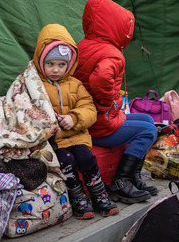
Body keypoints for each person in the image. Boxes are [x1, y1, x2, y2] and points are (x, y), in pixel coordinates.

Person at [73, 0, 158, 204]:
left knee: (147, 120)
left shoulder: (83, 45)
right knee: (149, 130)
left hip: (86, 119)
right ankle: (120, 182)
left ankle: (133, 177)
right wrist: (109, 100)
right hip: (96, 125)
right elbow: (100, 78)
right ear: (119, 27)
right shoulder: (112, 53)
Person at [32, 23, 118, 219]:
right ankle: (77, 196)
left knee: (86, 157)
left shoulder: (75, 84)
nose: (56, 70)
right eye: (50, 64)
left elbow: (89, 108)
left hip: (77, 136)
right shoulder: (34, 85)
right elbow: (28, 109)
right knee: (67, 160)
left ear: (69, 64)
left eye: (61, 65)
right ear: (40, 60)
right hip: (55, 142)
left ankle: (99, 194)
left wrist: (74, 117)